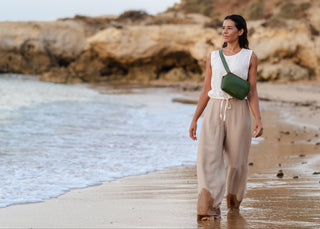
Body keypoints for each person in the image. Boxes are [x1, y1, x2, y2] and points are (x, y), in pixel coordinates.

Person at [189, 14, 263, 221]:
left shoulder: (250, 57)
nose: (225, 31)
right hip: (214, 109)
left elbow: (252, 91)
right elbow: (206, 89)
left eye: (230, 28)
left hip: (239, 110)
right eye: (223, 28)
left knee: (237, 162)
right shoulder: (213, 56)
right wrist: (195, 118)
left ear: (240, 31)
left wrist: (258, 118)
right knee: (208, 159)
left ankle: (233, 201)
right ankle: (208, 209)